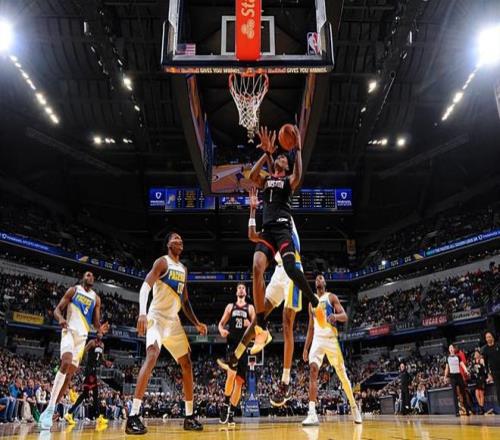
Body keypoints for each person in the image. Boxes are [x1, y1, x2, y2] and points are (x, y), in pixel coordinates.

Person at [226, 125, 326, 360]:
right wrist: (266, 153)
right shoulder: (268, 179)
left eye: (283, 157)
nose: (281, 157)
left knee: (291, 268)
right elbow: (252, 176)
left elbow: (298, 176)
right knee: (256, 267)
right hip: (268, 231)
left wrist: (298, 148)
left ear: (287, 166)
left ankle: (313, 301)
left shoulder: (288, 181)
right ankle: (261, 324)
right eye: (278, 157)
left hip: (282, 229)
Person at [125, 232, 208, 435]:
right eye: (175, 238)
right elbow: (145, 287)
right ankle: (133, 416)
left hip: (173, 321)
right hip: (156, 318)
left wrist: (196, 323)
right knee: (152, 355)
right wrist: (142, 313)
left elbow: (185, 301)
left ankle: (189, 416)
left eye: (181, 238)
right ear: (168, 244)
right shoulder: (162, 262)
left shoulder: (183, 269)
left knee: (187, 363)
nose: (180, 240)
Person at [39, 271, 108, 430]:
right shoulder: (73, 290)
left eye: (93, 275)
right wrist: (61, 318)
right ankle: (49, 410)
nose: (91, 277)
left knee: (69, 375)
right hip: (69, 331)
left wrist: (100, 328)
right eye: (88, 274)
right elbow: (57, 310)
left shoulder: (96, 298)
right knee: (65, 362)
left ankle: (51, 408)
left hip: (82, 338)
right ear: (83, 278)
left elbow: (95, 323)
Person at [301, 274, 362, 426]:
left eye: (321, 278)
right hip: (317, 339)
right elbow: (310, 327)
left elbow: (345, 316)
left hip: (330, 339)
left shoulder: (331, 297)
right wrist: (306, 348)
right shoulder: (311, 302)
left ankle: (354, 406)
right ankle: (312, 413)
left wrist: (335, 316)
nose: (318, 279)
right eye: (316, 278)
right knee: (313, 370)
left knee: (342, 375)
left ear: (325, 283)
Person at [217, 283, 255, 425]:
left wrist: (249, 324)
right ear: (236, 292)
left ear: (246, 292)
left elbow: (256, 326)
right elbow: (221, 323)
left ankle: (231, 412)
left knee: (239, 381)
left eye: (243, 288)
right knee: (231, 375)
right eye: (239, 288)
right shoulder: (230, 307)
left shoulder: (250, 308)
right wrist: (221, 330)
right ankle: (225, 404)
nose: (241, 289)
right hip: (233, 344)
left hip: (244, 346)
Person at [64, 332, 108, 426]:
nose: (100, 335)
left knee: (86, 394)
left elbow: (101, 357)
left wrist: (105, 362)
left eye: (102, 334)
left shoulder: (102, 345)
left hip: (94, 370)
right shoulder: (92, 342)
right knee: (94, 394)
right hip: (89, 370)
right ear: (97, 334)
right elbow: (83, 351)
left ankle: (69, 413)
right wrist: (83, 363)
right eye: (99, 333)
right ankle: (98, 417)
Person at [444, 343, 471, 416]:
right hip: (452, 376)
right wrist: (445, 377)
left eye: (452, 348)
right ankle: (457, 412)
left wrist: (466, 371)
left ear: (454, 349)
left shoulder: (458, 357)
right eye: (450, 348)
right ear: (449, 350)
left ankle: (467, 410)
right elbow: (447, 368)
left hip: (459, 376)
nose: (451, 349)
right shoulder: (447, 358)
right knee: (454, 394)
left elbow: (462, 364)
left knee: (463, 392)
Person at [481, 330, 500, 409]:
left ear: (493, 337)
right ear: (485, 339)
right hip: (495, 373)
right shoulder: (485, 349)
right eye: (487, 337)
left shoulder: (498, 345)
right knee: (498, 390)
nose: (488, 338)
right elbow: (485, 364)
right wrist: (488, 374)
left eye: (490, 337)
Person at [471, 350, 487, 414]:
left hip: (482, 377)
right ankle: (481, 407)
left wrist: (487, 377)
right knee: (477, 393)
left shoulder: (481, 360)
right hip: (477, 378)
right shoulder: (474, 361)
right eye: (475, 354)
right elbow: (474, 370)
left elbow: (485, 369)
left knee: (481, 393)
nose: (476, 354)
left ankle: (481, 409)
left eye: (477, 353)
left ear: (479, 354)